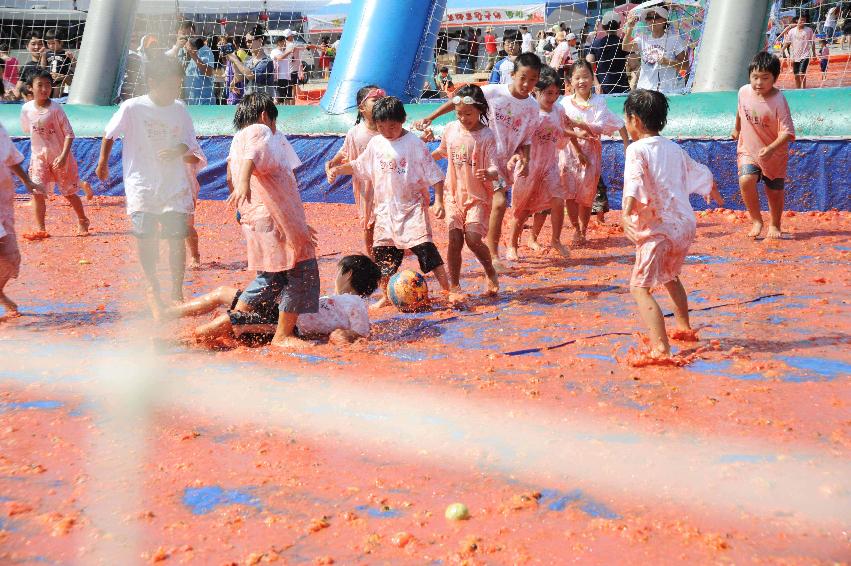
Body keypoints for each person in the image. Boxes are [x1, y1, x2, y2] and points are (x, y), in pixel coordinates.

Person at [96, 56, 204, 316]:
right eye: (169, 85)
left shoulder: (179, 109)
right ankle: (152, 284)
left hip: (173, 184)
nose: (174, 91)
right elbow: (109, 134)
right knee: (146, 237)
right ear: (153, 82)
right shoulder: (132, 108)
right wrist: (102, 163)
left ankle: (177, 290)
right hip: (142, 184)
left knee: (176, 237)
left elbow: (189, 142)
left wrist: (175, 149)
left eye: (177, 85)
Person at [328, 96, 459, 309]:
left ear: (403, 120)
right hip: (385, 210)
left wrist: (440, 202)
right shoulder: (376, 143)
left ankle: (448, 290)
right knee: (383, 256)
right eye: (381, 127)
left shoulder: (413, 143)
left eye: (392, 126)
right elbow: (360, 165)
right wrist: (338, 169)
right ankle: (387, 296)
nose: (388, 131)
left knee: (426, 250)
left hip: (411, 208)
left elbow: (435, 174)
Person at [621, 89, 724, 359]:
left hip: (658, 227)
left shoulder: (636, 149)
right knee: (670, 276)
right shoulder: (674, 148)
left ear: (635, 121)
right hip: (685, 225)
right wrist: (712, 190)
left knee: (639, 288)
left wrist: (626, 212)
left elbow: (633, 180)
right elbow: (700, 171)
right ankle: (684, 327)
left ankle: (661, 347)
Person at [417, 52, 544, 272]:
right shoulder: (494, 91)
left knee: (500, 203)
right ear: (513, 75)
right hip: (476, 157)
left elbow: (526, 139)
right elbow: (461, 98)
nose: (526, 84)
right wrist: (431, 117)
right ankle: (481, 250)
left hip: (499, 164)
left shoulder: (533, 107)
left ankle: (493, 255)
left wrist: (527, 159)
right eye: (523, 77)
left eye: (532, 79)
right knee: (472, 210)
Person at [225, 93, 320, 349]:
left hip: (261, 217)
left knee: (271, 276)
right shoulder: (260, 130)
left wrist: (296, 220)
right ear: (266, 115)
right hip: (273, 216)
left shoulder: (236, 140)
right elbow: (253, 158)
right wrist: (244, 183)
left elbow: (231, 175)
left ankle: (238, 321)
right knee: (300, 271)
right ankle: (282, 334)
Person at [166, 255, 381, 346]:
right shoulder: (334, 298)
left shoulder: (357, 303)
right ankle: (170, 312)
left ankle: (187, 342)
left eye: (338, 271)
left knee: (229, 321)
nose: (335, 276)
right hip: (282, 308)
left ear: (348, 274)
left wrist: (338, 336)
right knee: (223, 292)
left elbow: (361, 334)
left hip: (290, 321)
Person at [430, 85, 500, 296]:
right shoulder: (451, 129)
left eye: (468, 114)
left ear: (479, 109)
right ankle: (455, 285)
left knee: (472, 239)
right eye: (459, 114)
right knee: (454, 240)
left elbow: (496, 166)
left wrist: (489, 173)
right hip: (453, 194)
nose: (463, 118)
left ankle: (490, 270)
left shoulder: (486, 136)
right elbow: (442, 152)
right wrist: (421, 159)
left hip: (477, 196)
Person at [508, 66, 583, 261]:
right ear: (537, 91)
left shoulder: (558, 109)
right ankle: (512, 244)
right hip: (529, 166)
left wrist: (579, 135)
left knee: (557, 200)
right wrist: (516, 156)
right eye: (548, 93)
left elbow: (562, 129)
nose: (553, 98)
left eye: (557, 93)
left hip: (549, 165)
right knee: (522, 209)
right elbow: (517, 137)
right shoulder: (530, 111)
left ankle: (555, 239)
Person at [559, 61, 630, 245]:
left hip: (591, 151)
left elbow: (600, 126)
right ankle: (576, 229)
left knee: (586, 193)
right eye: (577, 77)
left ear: (592, 79)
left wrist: (626, 143)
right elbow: (562, 127)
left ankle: (583, 230)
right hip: (569, 151)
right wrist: (575, 133)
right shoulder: (565, 102)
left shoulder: (599, 101)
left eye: (585, 77)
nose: (581, 81)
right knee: (569, 193)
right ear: (570, 81)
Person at [732, 52, 795, 241]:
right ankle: (756, 220)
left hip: (774, 153)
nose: (759, 82)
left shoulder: (778, 100)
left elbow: (787, 132)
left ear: (775, 78)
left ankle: (775, 224)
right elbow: (740, 110)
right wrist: (736, 129)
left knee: (774, 190)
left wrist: (771, 149)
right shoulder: (743, 91)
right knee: (745, 179)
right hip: (748, 148)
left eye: (765, 78)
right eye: (755, 77)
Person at [19, 69, 90, 239]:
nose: (44, 89)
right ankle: (41, 227)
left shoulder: (56, 109)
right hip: (39, 157)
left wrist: (64, 155)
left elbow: (69, 134)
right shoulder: (26, 109)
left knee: (69, 192)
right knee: (37, 192)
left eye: (48, 85)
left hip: (59, 157)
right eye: (40, 85)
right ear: (30, 88)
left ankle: (82, 219)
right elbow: (27, 129)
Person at [325, 86, 384, 256]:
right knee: (369, 224)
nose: (380, 103)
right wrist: (332, 163)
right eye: (375, 100)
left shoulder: (389, 128)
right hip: (366, 187)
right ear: (362, 107)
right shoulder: (356, 133)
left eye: (382, 99)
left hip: (388, 184)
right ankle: (373, 262)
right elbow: (345, 151)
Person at [0, 123, 43, 318]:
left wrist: (27, 181)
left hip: (3, 206)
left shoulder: (0, 130)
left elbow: (11, 159)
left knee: (11, 257)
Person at [622, 6, 688, 93]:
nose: (652, 21)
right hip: (644, 89)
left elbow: (685, 65)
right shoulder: (642, 38)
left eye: (656, 17)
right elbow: (625, 47)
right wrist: (630, 28)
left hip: (665, 90)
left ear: (664, 20)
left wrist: (668, 62)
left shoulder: (674, 39)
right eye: (649, 18)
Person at [587, 11, 631, 94]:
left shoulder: (595, 44)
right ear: (619, 25)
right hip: (622, 87)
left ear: (603, 26)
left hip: (602, 88)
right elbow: (633, 63)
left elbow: (588, 65)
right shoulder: (623, 43)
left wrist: (596, 84)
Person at [227, 32, 276, 97]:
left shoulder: (267, 61)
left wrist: (236, 60)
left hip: (263, 102)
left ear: (260, 41)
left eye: (250, 41)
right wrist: (232, 60)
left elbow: (250, 76)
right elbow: (240, 77)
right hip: (249, 101)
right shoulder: (248, 60)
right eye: (246, 42)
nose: (247, 44)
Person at [784, 14, 816, 89]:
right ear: (797, 20)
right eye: (801, 20)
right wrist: (782, 49)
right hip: (795, 56)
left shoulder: (809, 30)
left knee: (802, 73)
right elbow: (788, 42)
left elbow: (812, 42)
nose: (803, 21)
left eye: (804, 20)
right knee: (796, 76)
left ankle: (804, 89)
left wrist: (814, 53)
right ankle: (798, 89)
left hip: (805, 55)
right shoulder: (792, 31)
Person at [41, 29, 75, 99]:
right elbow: (43, 67)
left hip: (60, 79)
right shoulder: (47, 54)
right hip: (49, 78)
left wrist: (72, 58)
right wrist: (43, 56)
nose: (50, 46)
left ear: (61, 43)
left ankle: (56, 102)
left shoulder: (65, 54)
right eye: (48, 43)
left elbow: (75, 65)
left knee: (56, 96)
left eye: (53, 43)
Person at [13, 32, 45, 101]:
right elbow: (17, 91)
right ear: (27, 47)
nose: (37, 47)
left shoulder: (53, 62)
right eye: (33, 44)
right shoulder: (26, 67)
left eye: (40, 44)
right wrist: (11, 95)